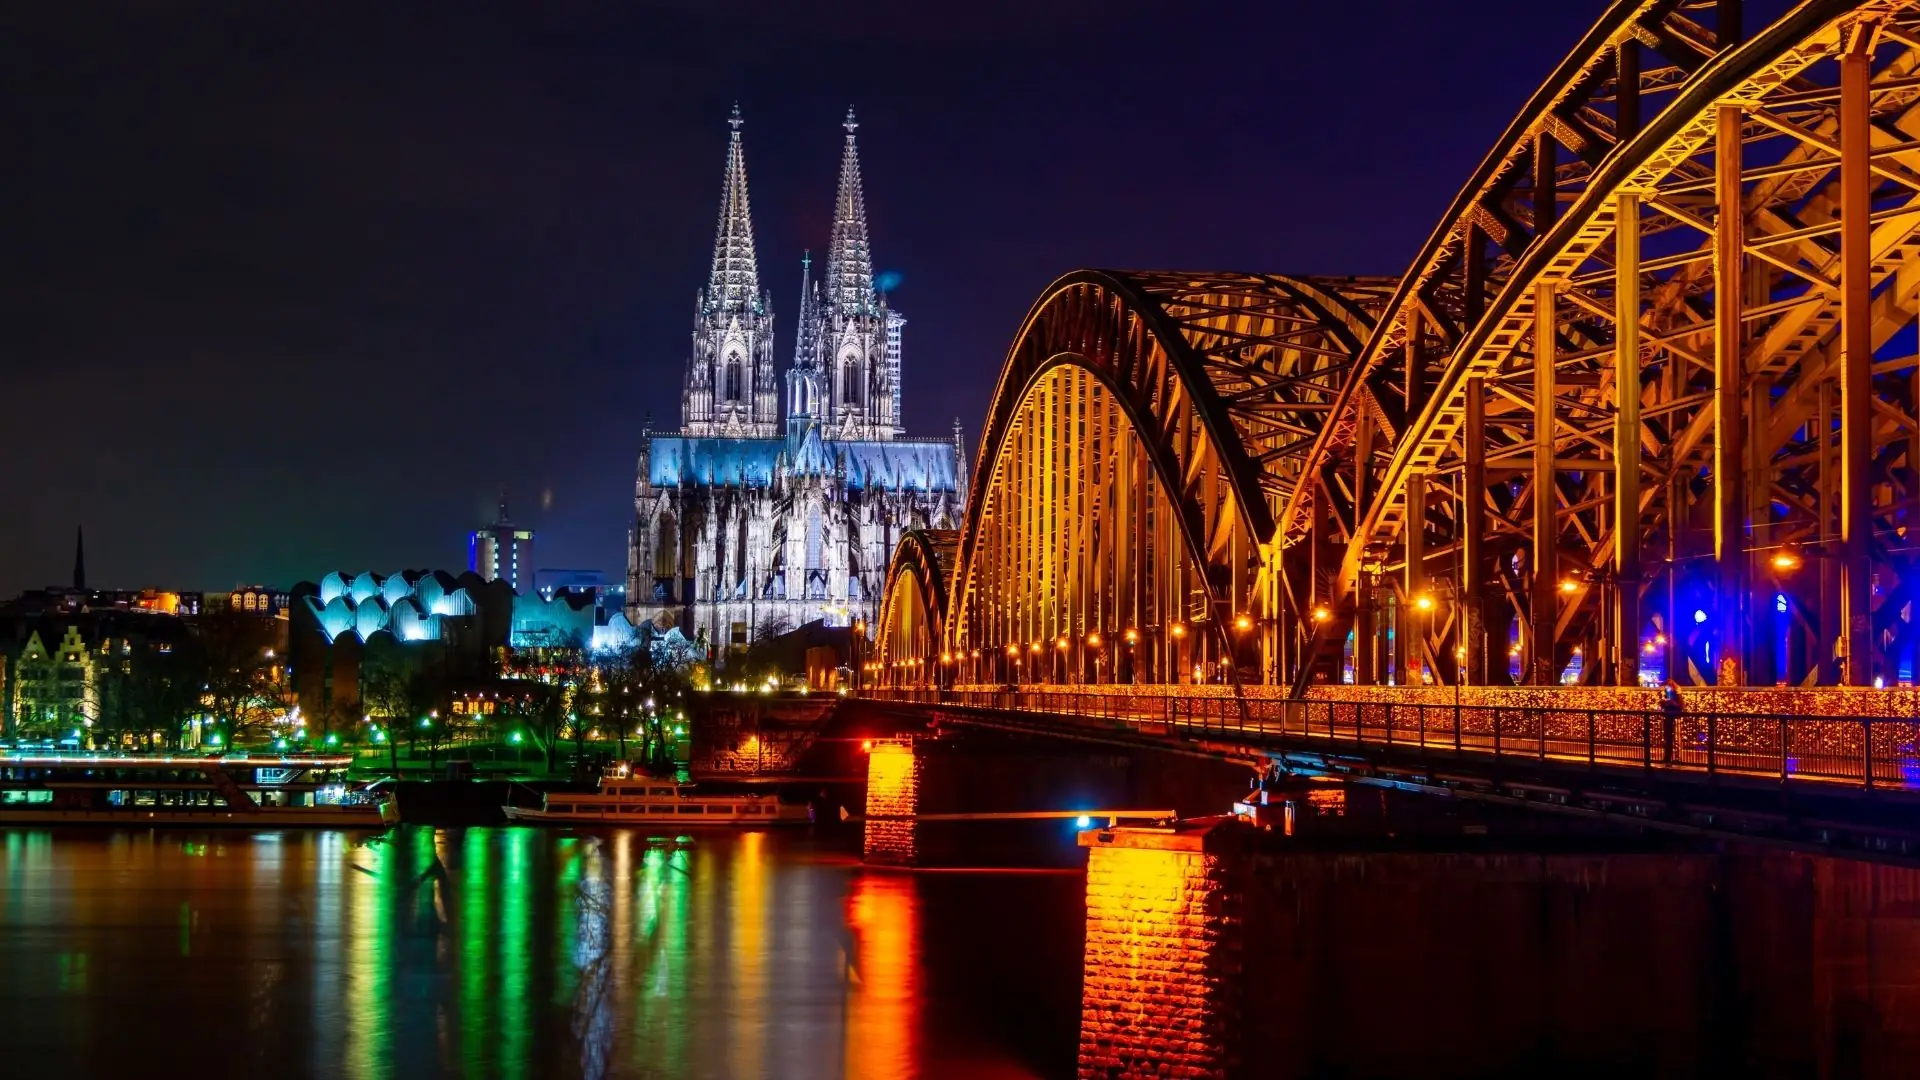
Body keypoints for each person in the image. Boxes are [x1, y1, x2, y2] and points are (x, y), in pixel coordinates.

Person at [1659, 680, 1684, 764]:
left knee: (1675, 738)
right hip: (1668, 717)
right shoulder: (1666, 692)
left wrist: (1671, 703)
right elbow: (1664, 705)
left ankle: (1677, 758)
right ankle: (1667, 757)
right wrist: (1663, 703)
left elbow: (1680, 706)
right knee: (1668, 738)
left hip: (1674, 717)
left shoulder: (1677, 693)